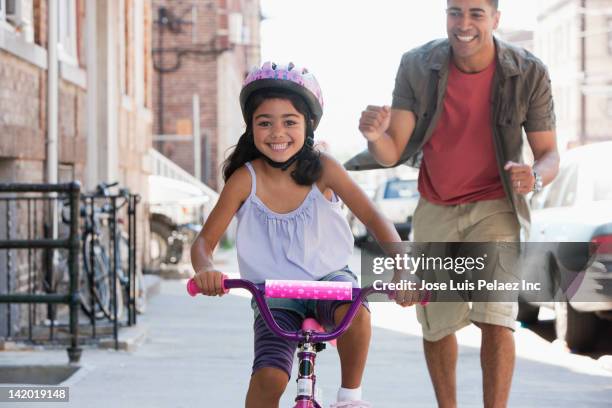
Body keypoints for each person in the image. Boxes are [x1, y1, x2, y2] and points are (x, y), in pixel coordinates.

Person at [349, 0, 560, 407]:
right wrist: (375, 135)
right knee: (436, 325)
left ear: (495, 19)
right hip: (436, 205)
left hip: (496, 207)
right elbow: (391, 150)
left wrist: (533, 175)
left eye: (476, 14)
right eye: (455, 12)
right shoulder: (417, 65)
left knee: (496, 318)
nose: (463, 24)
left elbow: (549, 153)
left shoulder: (528, 72)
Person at [190, 61, 410, 408]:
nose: (277, 133)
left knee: (356, 312)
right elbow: (204, 242)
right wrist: (205, 270)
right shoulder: (245, 178)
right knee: (270, 377)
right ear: (251, 128)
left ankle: (350, 397)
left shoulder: (324, 169)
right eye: (265, 123)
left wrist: (402, 267)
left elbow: (372, 216)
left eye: (289, 122)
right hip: (272, 292)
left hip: (328, 279)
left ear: (307, 125)